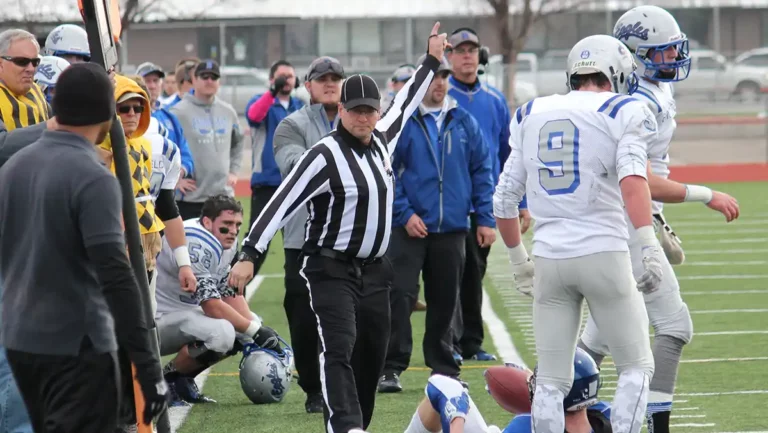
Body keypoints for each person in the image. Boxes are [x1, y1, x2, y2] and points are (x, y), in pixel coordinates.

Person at [229, 22, 449, 433]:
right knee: (339, 349)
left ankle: (356, 422)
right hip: (330, 268)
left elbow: (406, 101)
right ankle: (345, 426)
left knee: (371, 352)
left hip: (376, 270)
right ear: (342, 111)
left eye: (371, 109)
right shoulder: (324, 155)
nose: (365, 117)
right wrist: (249, 253)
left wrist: (432, 59)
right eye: (357, 110)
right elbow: (281, 201)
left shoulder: (383, 138)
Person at [576, 7, 740, 433]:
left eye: (673, 51)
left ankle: (563, 405)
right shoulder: (637, 101)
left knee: (597, 336)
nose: (672, 60)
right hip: (630, 220)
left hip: (626, 220)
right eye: (661, 54)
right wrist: (706, 195)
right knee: (674, 325)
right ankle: (655, 425)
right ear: (633, 55)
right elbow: (641, 178)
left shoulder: (652, 91)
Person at [493, 34, 661, 433]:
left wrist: (519, 262)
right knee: (636, 368)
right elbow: (633, 181)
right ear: (615, 73)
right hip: (604, 253)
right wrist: (648, 243)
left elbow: (503, 200)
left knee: (550, 382)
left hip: (550, 259)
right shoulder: (625, 109)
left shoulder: (533, 111)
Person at [0, 62, 168, 433]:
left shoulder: (13, 167)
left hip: (20, 340)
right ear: (107, 113)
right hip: (77, 343)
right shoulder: (92, 175)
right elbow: (114, 273)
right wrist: (146, 363)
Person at [379, 54, 494, 394]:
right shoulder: (403, 122)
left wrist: (485, 218)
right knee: (399, 295)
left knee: (446, 299)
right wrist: (405, 214)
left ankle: (443, 366)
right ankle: (391, 367)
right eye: (434, 77)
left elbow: (482, 172)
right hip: (410, 227)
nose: (440, 82)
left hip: (453, 228)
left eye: (444, 76)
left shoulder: (463, 121)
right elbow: (387, 172)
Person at [154, 195, 283, 405]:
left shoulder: (225, 242)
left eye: (237, 225)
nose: (233, 230)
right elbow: (212, 306)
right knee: (223, 332)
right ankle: (165, 381)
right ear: (207, 222)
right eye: (227, 225)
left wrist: (256, 328)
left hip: (179, 316)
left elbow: (228, 292)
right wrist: (256, 332)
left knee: (246, 327)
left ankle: (182, 380)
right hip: (155, 321)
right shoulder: (196, 241)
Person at [271, 54, 345, 414]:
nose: (330, 83)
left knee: (348, 317)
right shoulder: (291, 124)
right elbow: (295, 169)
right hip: (303, 238)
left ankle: (343, 384)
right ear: (308, 85)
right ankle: (313, 388)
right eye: (322, 78)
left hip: (349, 238)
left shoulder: (360, 121)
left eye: (335, 77)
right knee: (302, 315)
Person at [445, 27, 518, 363]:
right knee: (450, 275)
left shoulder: (494, 100)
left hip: (485, 203)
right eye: (460, 50)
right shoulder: (442, 99)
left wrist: (523, 203)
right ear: (448, 56)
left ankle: (469, 341)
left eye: (472, 50)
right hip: (450, 202)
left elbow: (509, 154)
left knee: (475, 273)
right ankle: (453, 341)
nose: (467, 56)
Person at [402, 348, 607, 433]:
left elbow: (441, 385)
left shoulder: (527, 426)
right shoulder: (607, 417)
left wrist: (457, 418)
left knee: (450, 389)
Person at [244, 59, 305, 273]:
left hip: (296, 184)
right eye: (282, 76)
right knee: (258, 240)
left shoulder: (300, 106)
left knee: (298, 243)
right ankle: (232, 290)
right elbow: (254, 116)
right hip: (267, 184)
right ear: (272, 79)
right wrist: (272, 92)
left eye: (290, 76)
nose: (287, 80)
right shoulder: (261, 102)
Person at [171, 59, 244, 219]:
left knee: (225, 243)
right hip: (190, 198)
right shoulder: (178, 112)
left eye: (214, 77)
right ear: (194, 80)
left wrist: (234, 170)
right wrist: (175, 180)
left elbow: (238, 142)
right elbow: (165, 150)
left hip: (223, 196)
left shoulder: (228, 111)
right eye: (204, 77)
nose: (209, 81)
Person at [136, 62, 195, 185]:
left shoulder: (170, 117)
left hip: (166, 192)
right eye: (147, 81)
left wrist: (179, 174)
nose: (152, 86)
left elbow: (185, 154)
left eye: (155, 81)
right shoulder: (130, 116)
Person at [0, 29, 49, 131]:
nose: (31, 69)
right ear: (1, 64)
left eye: (35, 62)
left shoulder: (36, 91)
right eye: (22, 61)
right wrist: (50, 127)